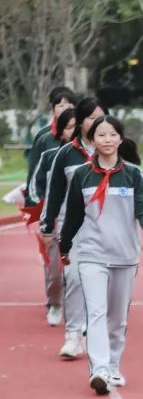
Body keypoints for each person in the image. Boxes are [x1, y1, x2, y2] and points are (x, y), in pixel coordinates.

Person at [57, 116, 143, 395]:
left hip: (125, 255)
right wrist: (64, 245)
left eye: (112, 135)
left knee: (118, 318)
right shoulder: (82, 175)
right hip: (91, 253)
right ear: (93, 139)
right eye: (100, 135)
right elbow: (74, 215)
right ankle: (99, 370)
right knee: (97, 313)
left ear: (120, 139)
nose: (106, 140)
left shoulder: (133, 174)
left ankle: (113, 365)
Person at [41, 98, 107, 359]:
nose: (96, 122)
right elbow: (54, 192)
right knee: (75, 279)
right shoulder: (65, 154)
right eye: (90, 118)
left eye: (100, 117)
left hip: (106, 227)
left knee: (105, 282)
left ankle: (98, 331)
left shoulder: (112, 149)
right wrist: (47, 226)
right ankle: (73, 334)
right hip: (74, 227)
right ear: (80, 122)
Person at [27, 107, 77, 327]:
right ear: (60, 131)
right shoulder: (49, 156)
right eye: (68, 127)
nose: (73, 131)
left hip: (84, 224)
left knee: (83, 272)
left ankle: (80, 320)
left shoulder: (91, 157)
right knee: (56, 272)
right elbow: (35, 187)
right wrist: (45, 210)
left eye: (77, 126)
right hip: (55, 222)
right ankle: (55, 303)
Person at [24, 87, 77, 206]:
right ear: (53, 109)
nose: (65, 109)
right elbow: (34, 170)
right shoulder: (44, 137)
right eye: (61, 105)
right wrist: (32, 200)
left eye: (69, 105)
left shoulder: (85, 137)